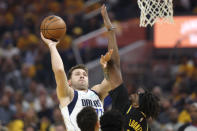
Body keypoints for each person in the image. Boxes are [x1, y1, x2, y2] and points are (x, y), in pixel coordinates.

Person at [40, 4, 122, 131]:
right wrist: (52, 46)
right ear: (69, 82)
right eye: (77, 74)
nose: (82, 75)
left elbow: (115, 70)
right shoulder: (67, 95)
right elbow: (60, 71)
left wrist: (110, 32)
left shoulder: (97, 93)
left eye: (84, 74)